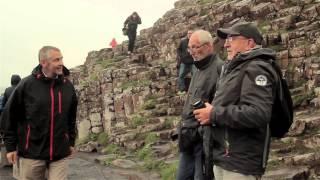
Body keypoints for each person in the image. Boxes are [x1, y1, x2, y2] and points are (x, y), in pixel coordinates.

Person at [194, 22, 278, 180]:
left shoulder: (257, 68)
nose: (226, 44)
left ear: (249, 43)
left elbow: (258, 113)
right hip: (226, 158)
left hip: (240, 164)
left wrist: (214, 114)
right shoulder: (235, 68)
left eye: (231, 38)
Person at [0, 46, 78, 180]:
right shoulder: (26, 85)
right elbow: (9, 115)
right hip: (32, 153)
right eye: (56, 60)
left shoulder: (67, 85)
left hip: (60, 153)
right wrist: (10, 147)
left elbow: (71, 116)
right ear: (43, 62)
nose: (61, 63)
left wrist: (70, 141)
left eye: (61, 59)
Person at [176, 30, 223, 180]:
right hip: (188, 137)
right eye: (190, 48)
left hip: (204, 140)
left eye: (196, 47)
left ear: (209, 46)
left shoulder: (219, 69)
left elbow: (219, 107)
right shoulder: (197, 68)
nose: (192, 52)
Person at [176, 30, 197, 95]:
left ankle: (195, 89)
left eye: (191, 33)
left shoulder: (195, 41)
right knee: (181, 75)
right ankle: (182, 90)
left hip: (193, 61)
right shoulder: (183, 41)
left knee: (195, 75)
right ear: (187, 34)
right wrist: (181, 56)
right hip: (184, 61)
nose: (189, 34)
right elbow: (178, 49)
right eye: (188, 33)